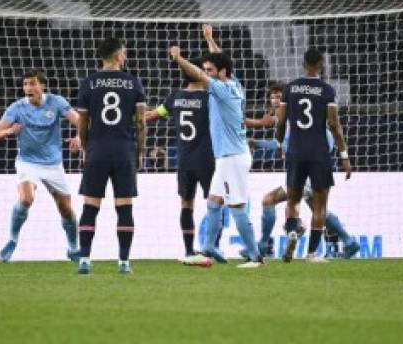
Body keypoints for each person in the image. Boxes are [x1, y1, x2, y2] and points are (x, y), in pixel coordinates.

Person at [171, 24, 263, 269]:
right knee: (213, 202)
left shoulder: (221, 90)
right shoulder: (235, 84)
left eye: (210, 70)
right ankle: (209, 246)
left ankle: (256, 257)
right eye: (206, 69)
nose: (206, 73)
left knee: (237, 207)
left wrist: (179, 58)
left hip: (233, 156)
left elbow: (199, 75)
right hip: (226, 156)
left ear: (221, 73)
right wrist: (210, 40)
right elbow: (220, 62)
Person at [0, 69, 81, 263]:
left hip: (53, 165)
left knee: (65, 209)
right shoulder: (16, 108)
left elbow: (81, 121)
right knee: (26, 198)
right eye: (25, 84)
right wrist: (9, 131)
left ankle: (73, 248)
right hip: (27, 162)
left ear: (42, 86)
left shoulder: (56, 102)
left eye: (32, 83)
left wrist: (80, 137)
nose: (28, 88)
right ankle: (12, 240)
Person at [75, 37, 147, 275]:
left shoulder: (89, 83)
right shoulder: (133, 82)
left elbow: (83, 123)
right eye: (124, 53)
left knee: (90, 205)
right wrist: (141, 151)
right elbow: (141, 123)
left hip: (97, 149)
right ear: (118, 56)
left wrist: (86, 148)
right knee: (124, 207)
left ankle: (84, 259)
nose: (125, 56)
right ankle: (124, 262)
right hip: (124, 150)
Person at [275, 48, 352, 263]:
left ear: (303, 64)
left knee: (293, 199)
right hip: (319, 152)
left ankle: (291, 230)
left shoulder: (290, 89)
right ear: (321, 65)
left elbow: (280, 122)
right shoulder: (327, 90)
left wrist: (280, 142)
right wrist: (344, 155)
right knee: (320, 205)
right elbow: (334, 125)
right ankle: (311, 253)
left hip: (296, 151)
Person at [145, 58, 216, 261]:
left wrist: (132, 117)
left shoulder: (174, 98)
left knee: (186, 203)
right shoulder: (209, 99)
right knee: (214, 204)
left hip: (184, 160)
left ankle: (188, 250)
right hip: (206, 158)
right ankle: (211, 248)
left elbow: (152, 115)